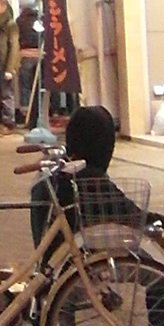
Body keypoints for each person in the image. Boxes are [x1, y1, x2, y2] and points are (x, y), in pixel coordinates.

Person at [28, 100, 137, 246]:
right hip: (79, 253)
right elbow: (132, 215)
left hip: (51, 252)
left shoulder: (58, 169)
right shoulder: (87, 179)